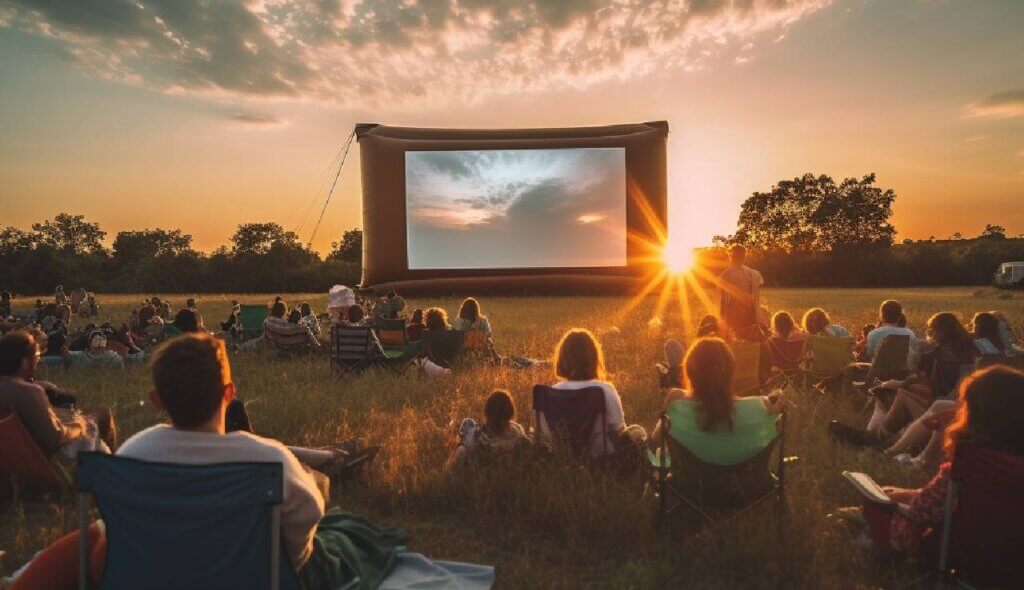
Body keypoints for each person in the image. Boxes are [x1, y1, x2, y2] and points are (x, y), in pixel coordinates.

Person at [7, 333, 406, 590]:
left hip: (159, 574)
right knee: (346, 534)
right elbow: (305, 523)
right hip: (256, 577)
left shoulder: (133, 455)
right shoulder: (267, 458)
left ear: (157, 400)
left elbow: (120, 526)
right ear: (229, 394)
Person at [834, 365, 1024, 557]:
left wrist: (887, 500)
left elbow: (921, 512)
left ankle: (858, 529)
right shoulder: (1008, 464)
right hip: (1010, 560)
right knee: (892, 492)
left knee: (868, 506)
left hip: (958, 551)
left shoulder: (971, 461)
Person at [649, 338, 784, 466]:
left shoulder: (676, 402)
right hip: (750, 488)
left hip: (690, 488)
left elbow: (656, 442)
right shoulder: (762, 406)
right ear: (731, 371)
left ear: (689, 371)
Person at [0, 331, 118, 459]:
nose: (37, 362)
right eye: (36, 356)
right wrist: (79, 425)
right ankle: (113, 468)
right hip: (51, 455)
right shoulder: (29, 392)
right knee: (102, 413)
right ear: (24, 362)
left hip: (11, 455)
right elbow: (55, 438)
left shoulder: (13, 388)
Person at [540, 329, 646, 457]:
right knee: (638, 432)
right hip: (602, 461)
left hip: (565, 458)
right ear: (594, 358)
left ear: (562, 359)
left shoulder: (553, 392)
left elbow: (547, 433)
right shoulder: (604, 389)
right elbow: (618, 432)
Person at [445, 390, 529, 471]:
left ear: (487, 412)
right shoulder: (518, 434)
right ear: (510, 412)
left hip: (480, 474)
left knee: (467, 424)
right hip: (509, 474)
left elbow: (469, 447)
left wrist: (461, 446)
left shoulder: (478, 439)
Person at [718, 244, 764, 340]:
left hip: (734, 315)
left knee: (737, 344)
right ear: (745, 256)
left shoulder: (725, 275)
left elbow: (724, 302)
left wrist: (722, 322)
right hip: (752, 315)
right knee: (752, 343)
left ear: (730, 256)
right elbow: (756, 299)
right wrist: (758, 316)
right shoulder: (755, 274)